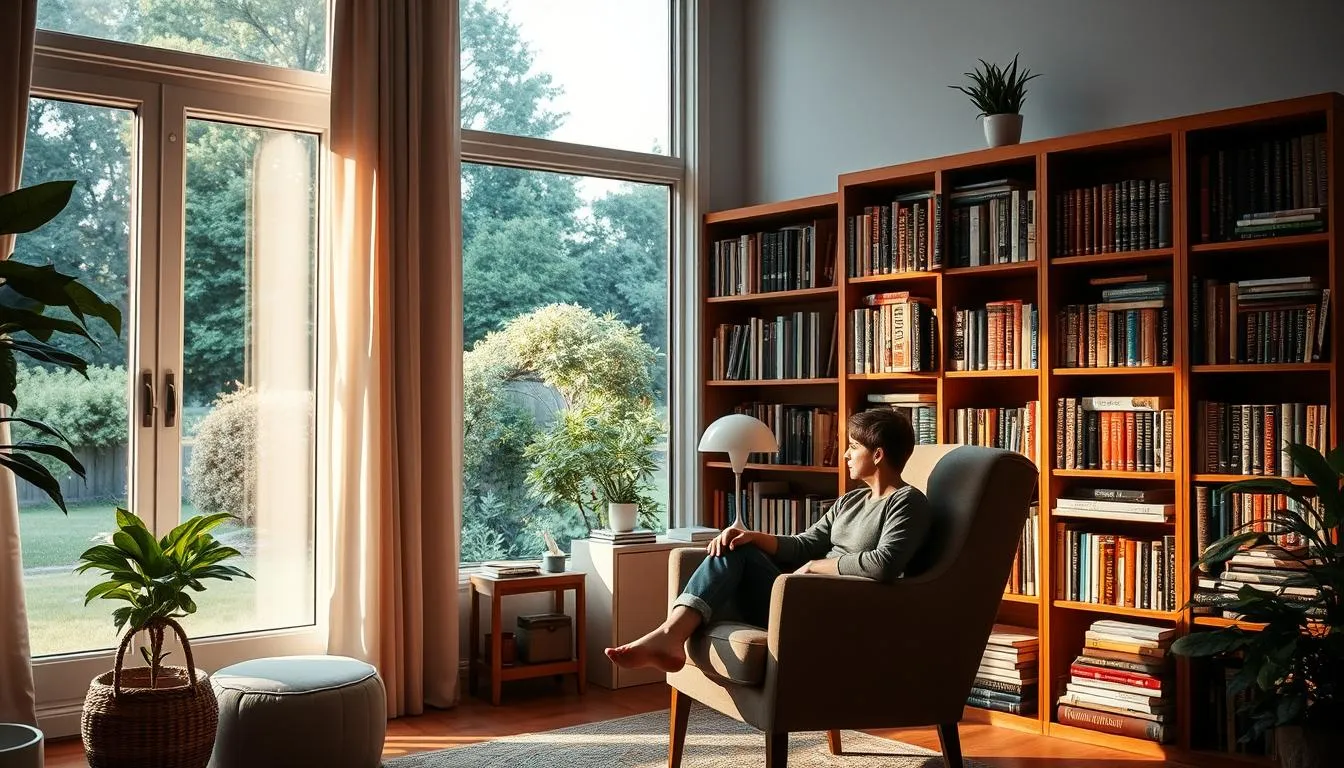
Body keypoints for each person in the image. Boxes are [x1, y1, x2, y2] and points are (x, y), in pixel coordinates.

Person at [605, 407, 933, 673]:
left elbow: (885, 564)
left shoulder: (907, 502)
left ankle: (668, 637)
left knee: (740, 553)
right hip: (799, 594)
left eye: (853, 446)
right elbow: (804, 544)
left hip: (835, 608)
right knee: (737, 546)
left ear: (877, 455)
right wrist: (752, 536)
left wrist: (816, 568)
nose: (845, 454)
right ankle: (670, 635)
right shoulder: (851, 501)